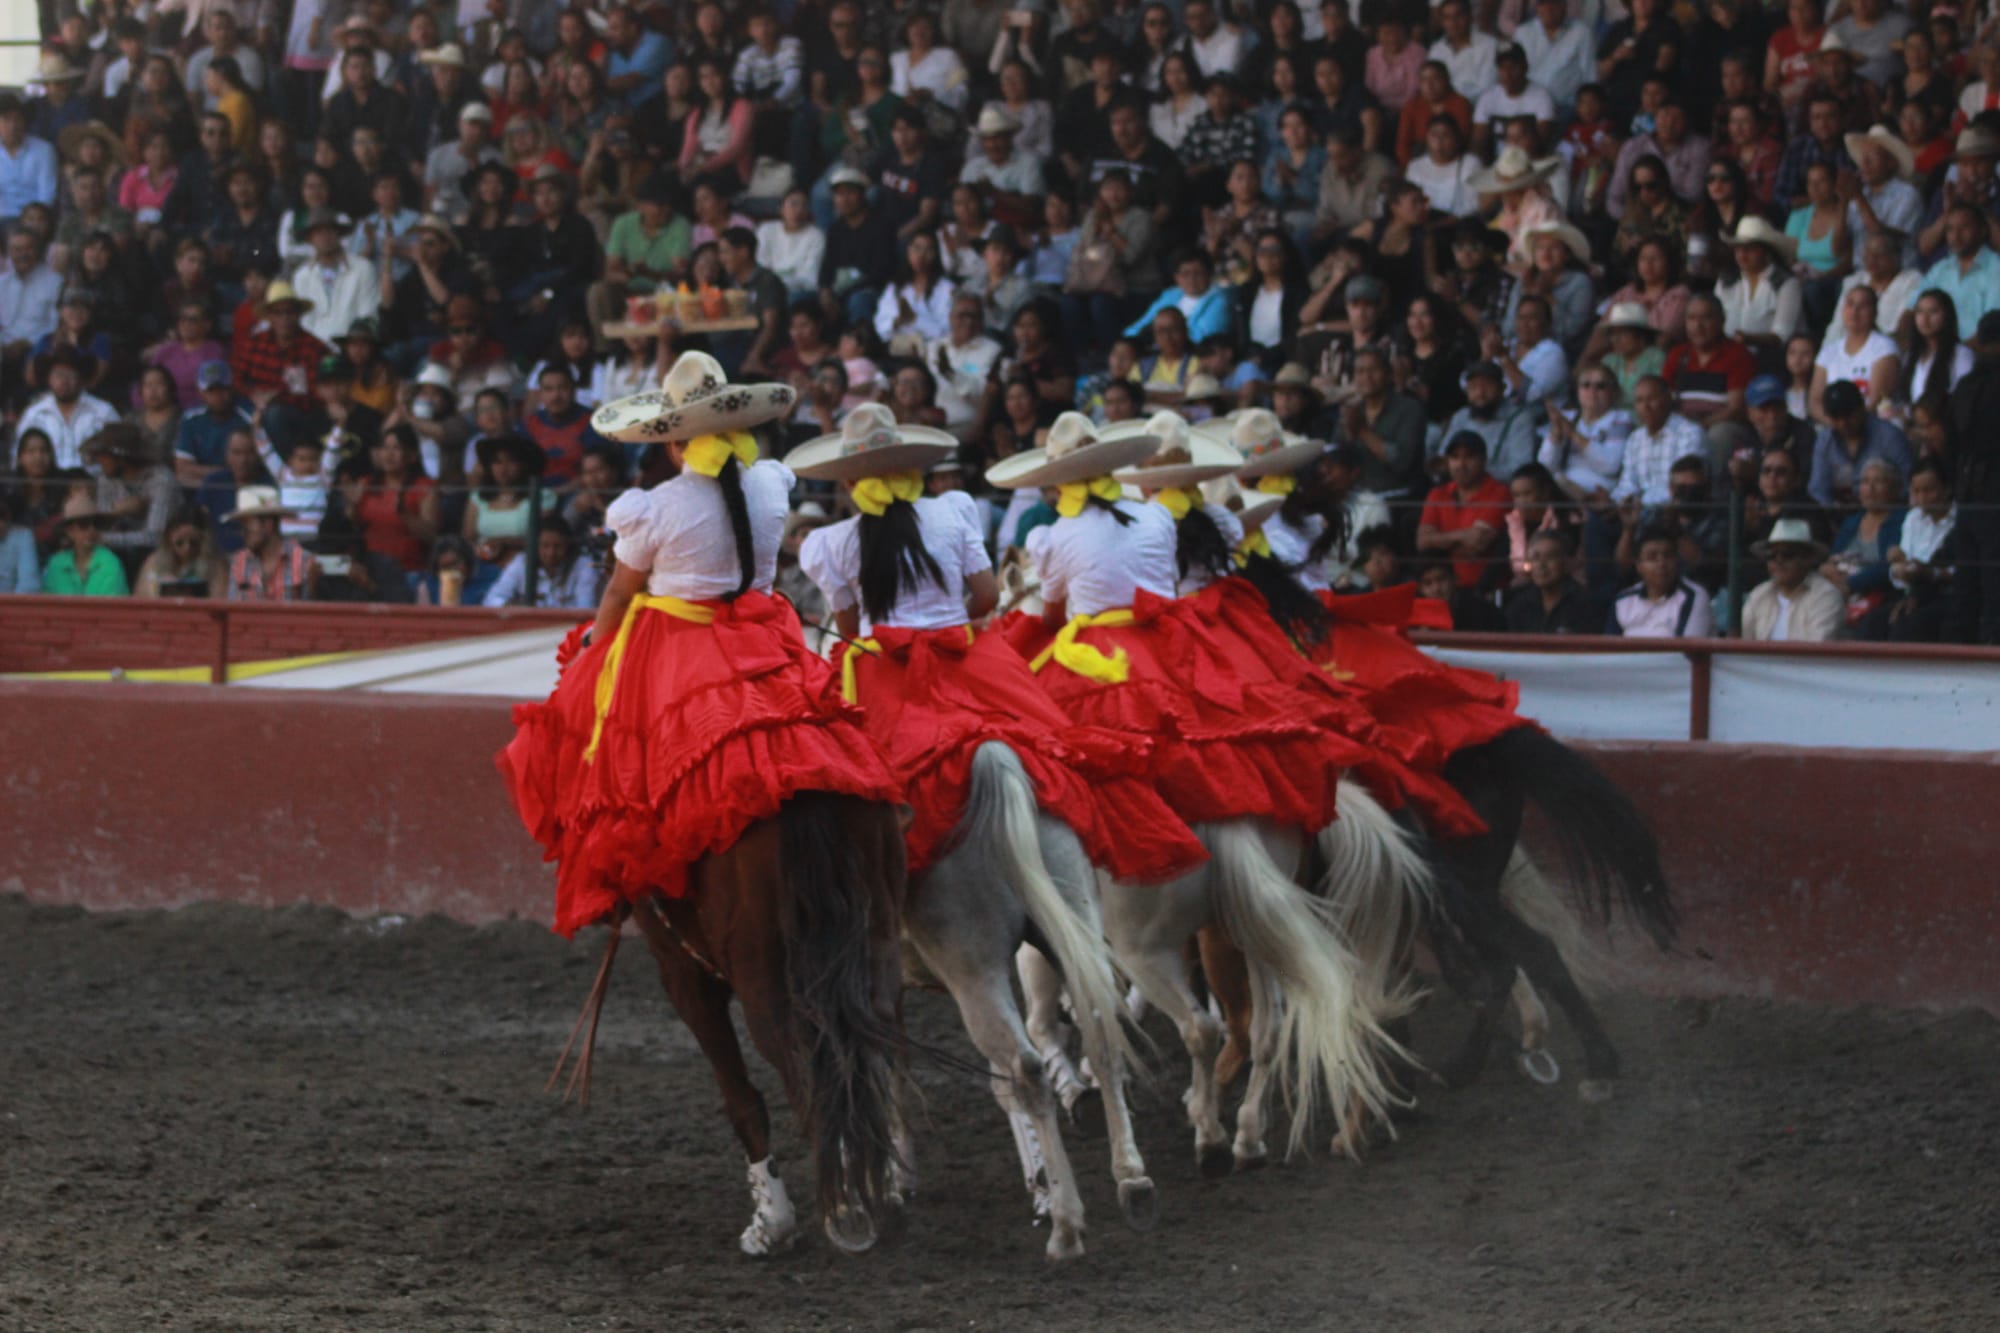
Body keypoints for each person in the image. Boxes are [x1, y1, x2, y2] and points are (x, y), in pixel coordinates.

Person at [497, 352, 902, 938]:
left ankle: (623, 887)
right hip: (766, 635)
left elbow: (617, 597)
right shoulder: (770, 484)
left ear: (673, 444)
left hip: (679, 645)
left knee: (606, 754)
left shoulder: (655, 507)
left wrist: (591, 654)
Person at [792, 402, 1202, 885]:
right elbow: (987, 597)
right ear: (913, 466)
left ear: (848, 482)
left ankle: (868, 892)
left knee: (844, 786)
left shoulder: (831, 542)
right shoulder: (952, 511)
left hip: (885, 676)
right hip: (969, 660)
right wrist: (946, 623)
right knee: (1059, 745)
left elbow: (853, 631)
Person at [1820, 457, 1907, 639]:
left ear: (1895, 489)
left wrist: (1850, 584)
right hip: (1841, 591)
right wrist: (1828, 571)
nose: (1870, 489)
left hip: (1879, 597)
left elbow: (1889, 568)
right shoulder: (1852, 521)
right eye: (1865, 482)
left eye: (1879, 482)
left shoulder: (1902, 521)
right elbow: (1834, 558)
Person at [1418, 430, 1511, 591]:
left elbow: (1475, 545)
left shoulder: (1499, 492)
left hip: (1483, 591)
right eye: (1455, 457)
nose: (1461, 464)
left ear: (1483, 460)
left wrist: (1439, 540)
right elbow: (1423, 543)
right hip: (1442, 591)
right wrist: (1462, 535)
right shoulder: (1437, 493)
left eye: (1469, 457)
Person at [1808, 380, 1912, 508]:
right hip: (1838, 518)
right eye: (1836, 417)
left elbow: (1906, 486)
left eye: (1848, 415)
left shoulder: (1889, 436)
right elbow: (1818, 491)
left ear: (1861, 408)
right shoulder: (1825, 440)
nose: (1843, 423)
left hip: (1886, 514)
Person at [1742, 516, 1842, 640]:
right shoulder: (1758, 595)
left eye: (1787, 554)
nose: (1779, 561)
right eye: (1772, 556)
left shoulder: (1826, 595)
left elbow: (1817, 650)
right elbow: (1745, 647)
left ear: (1807, 558)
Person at [1607, 525, 1715, 636]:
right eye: (1652, 557)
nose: (1661, 564)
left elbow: (1689, 650)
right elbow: (1609, 648)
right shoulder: (1623, 600)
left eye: (1668, 556)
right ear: (1639, 566)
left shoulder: (1694, 596)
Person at [482, 514, 600, 609]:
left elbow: (585, 608)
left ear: (568, 545)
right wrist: (513, 607)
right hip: (529, 630)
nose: (551, 553)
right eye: (545, 546)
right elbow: (491, 600)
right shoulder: (522, 562)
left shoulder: (583, 566)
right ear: (535, 546)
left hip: (567, 630)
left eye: (558, 546)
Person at [224, 485, 317, 600]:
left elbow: (311, 612)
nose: (244, 533)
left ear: (268, 524)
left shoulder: (304, 562)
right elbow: (233, 610)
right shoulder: (239, 562)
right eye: (242, 527)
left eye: (247, 526)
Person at [1503, 528, 1598, 633]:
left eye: (1550, 557)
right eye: (1536, 558)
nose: (1541, 565)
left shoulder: (1586, 604)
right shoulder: (1518, 605)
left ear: (1566, 563)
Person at [42, 493, 129, 596]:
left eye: (96, 524)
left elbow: (112, 609)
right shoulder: (56, 564)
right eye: (83, 524)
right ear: (70, 531)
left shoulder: (110, 563)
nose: (91, 530)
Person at [134, 509, 227, 598]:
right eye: (179, 543)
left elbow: (218, 601)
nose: (187, 548)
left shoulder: (216, 566)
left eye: (194, 543)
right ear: (168, 541)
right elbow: (142, 599)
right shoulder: (153, 562)